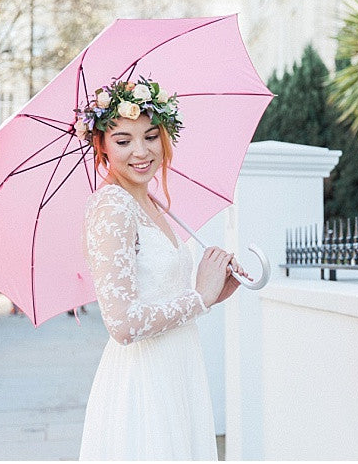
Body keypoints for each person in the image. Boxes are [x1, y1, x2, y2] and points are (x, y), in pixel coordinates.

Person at [76, 77, 249, 460]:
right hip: (145, 380)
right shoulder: (112, 207)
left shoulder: (152, 202)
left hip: (179, 368)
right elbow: (123, 324)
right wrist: (199, 297)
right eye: (123, 141)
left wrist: (214, 291)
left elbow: (164, 294)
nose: (141, 151)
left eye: (151, 136)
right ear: (101, 145)